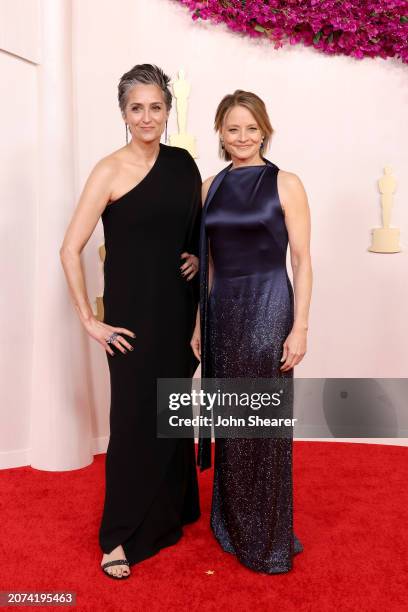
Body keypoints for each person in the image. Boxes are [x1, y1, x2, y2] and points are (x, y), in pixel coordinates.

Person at [60, 64, 201, 579]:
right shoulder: (109, 170)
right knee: (134, 420)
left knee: (174, 409)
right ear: (123, 113)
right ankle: (118, 536)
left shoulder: (185, 164)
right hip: (131, 320)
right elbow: (70, 249)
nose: (147, 117)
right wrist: (89, 321)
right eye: (136, 107)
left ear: (168, 111)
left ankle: (174, 512)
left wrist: (199, 262)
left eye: (156, 107)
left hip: (178, 312)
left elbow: (196, 237)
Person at [191, 90, 312, 574]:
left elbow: (302, 261)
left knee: (262, 422)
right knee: (233, 423)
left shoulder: (286, 182)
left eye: (250, 127)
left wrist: (300, 325)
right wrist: (200, 321)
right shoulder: (210, 187)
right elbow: (210, 264)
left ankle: (269, 533)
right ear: (220, 132)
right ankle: (234, 522)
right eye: (232, 128)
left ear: (264, 129)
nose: (242, 137)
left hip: (269, 304)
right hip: (224, 310)